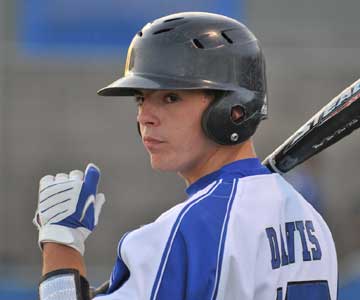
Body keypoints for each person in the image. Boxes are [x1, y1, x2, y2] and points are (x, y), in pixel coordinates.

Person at [33, 12, 338, 300]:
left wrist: (61, 244)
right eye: (141, 100)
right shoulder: (311, 222)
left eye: (171, 97)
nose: (145, 117)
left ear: (233, 110)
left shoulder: (182, 234)